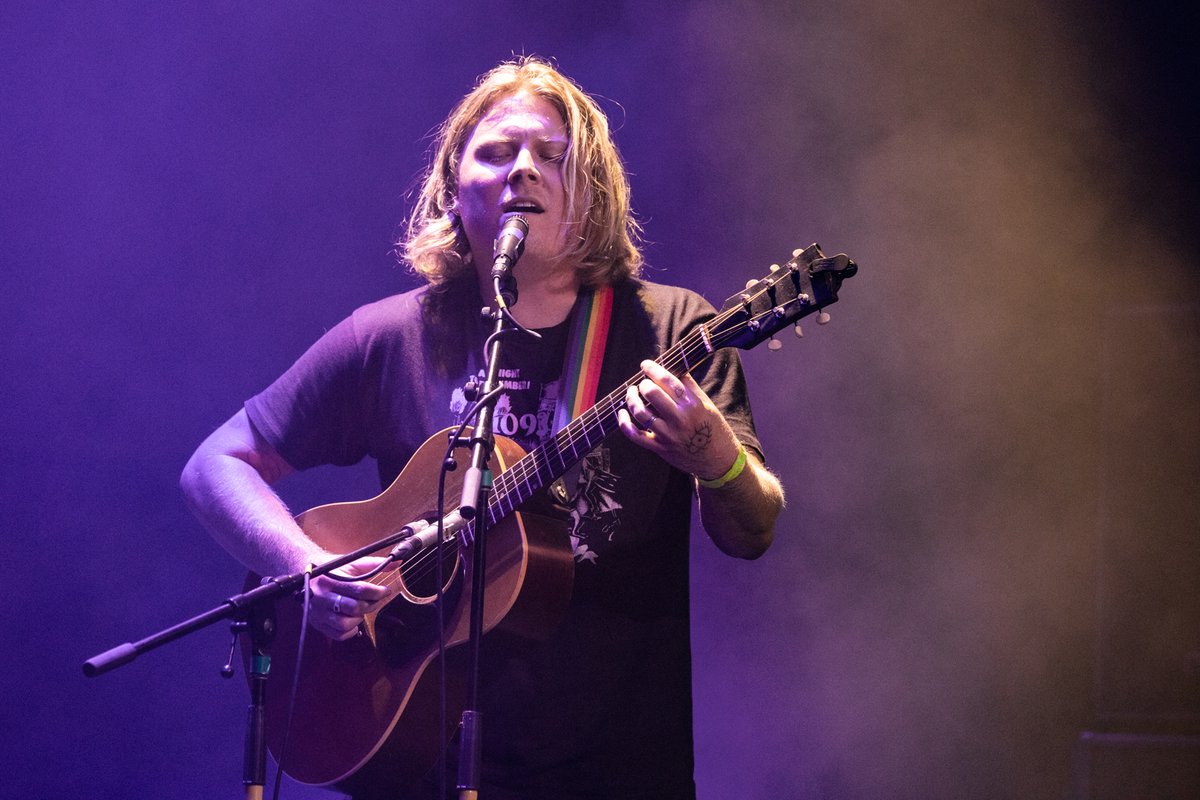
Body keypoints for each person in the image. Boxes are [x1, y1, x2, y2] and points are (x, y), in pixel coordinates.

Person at [181, 56, 784, 800]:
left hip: (618, 770)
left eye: (552, 155)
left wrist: (715, 458)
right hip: (416, 761)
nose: (523, 170)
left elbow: (751, 530)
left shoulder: (668, 328)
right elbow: (215, 464)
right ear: (452, 189)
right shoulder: (392, 336)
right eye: (496, 152)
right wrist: (303, 564)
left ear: (590, 190)